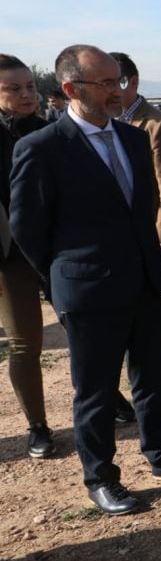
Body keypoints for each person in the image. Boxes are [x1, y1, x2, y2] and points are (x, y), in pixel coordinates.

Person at [10, 45, 161, 515]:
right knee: (97, 391)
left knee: (153, 377)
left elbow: (142, 212)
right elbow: (27, 229)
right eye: (104, 83)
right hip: (88, 289)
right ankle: (100, 476)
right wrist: (64, 275)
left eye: (118, 80)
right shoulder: (41, 148)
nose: (117, 91)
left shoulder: (133, 139)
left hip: (143, 280)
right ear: (70, 89)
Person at [110, 52, 161, 359]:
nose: (109, 90)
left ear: (132, 81)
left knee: (143, 291)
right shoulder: (106, 119)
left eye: (114, 82)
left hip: (147, 228)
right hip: (117, 227)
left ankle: (158, 354)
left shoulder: (158, 124)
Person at [0, 54, 52, 459]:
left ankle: (109, 399)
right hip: (11, 258)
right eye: (13, 89)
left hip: (58, 251)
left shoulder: (53, 130)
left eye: (30, 86)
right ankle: (37, 425)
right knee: (25, 342)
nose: (26, 95)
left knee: (89, 332)